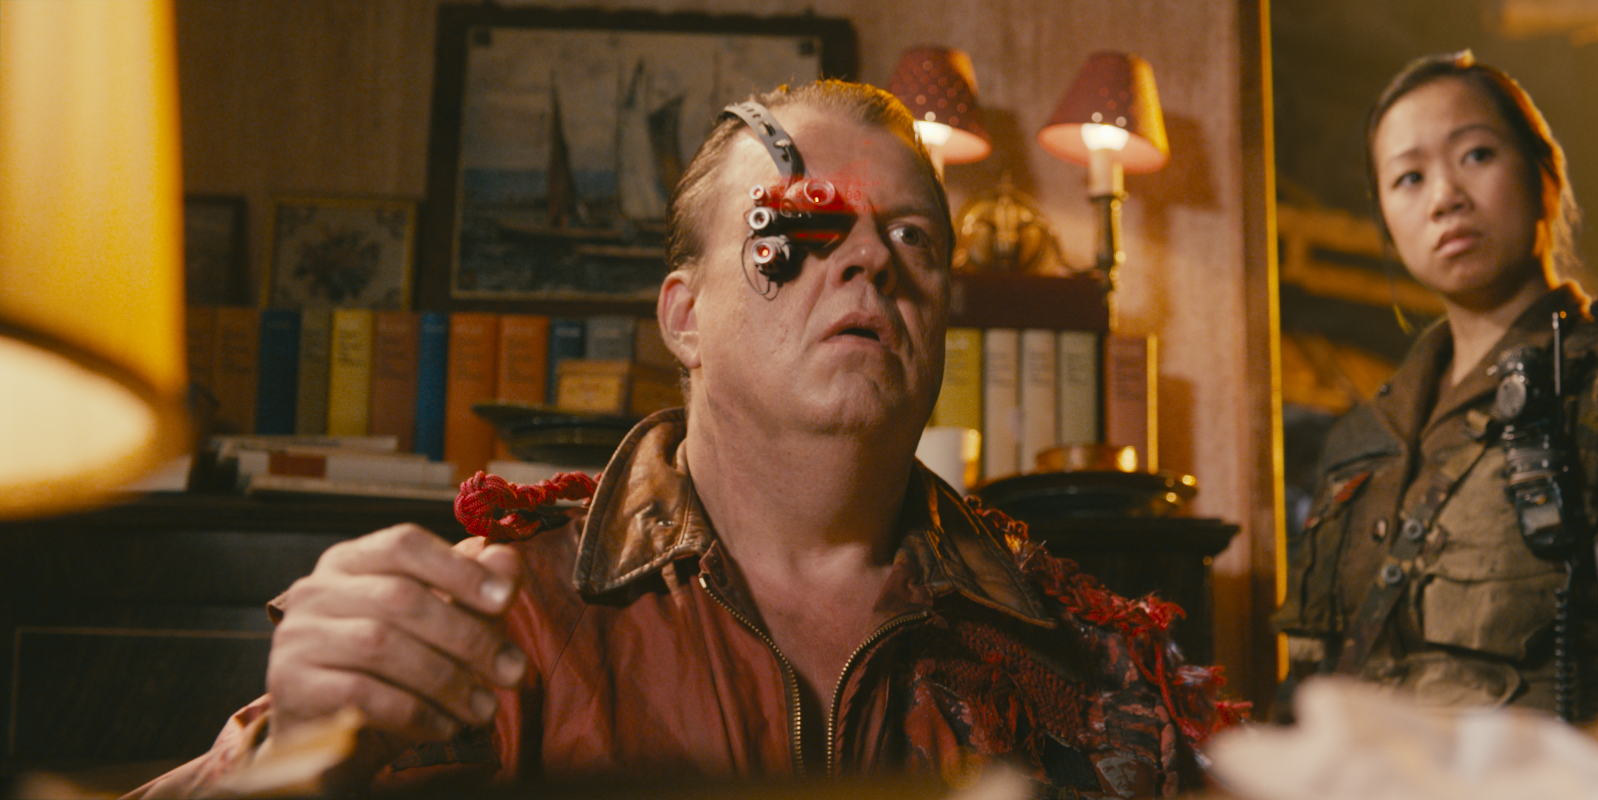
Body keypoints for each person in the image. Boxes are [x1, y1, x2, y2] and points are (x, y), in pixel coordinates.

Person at [134, 81, 1238, 798]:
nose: (870, 260)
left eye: (912, 236)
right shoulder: (494, 621)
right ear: (684, 315)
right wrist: (289, 762)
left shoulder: (1087, 661)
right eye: (799, 226)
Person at [1273, 52, 1598, 774]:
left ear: (1546, 177)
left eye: (1476, 154)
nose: (1445, 196)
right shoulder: (1362, 440)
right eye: (1409, 178)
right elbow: (1311, 694)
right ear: (1386, 221)